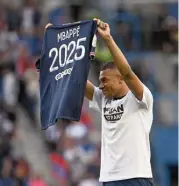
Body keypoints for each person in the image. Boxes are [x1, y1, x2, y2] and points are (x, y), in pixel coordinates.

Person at [85, 19, 154, 186]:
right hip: (109, 178)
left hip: (136, 176)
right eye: (100, 81)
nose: (100, 86)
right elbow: (79, 83)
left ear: (121, 79)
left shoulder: (140, 98)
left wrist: (108, 39)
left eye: (105, 80)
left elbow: (128, 72)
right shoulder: (104, 99)